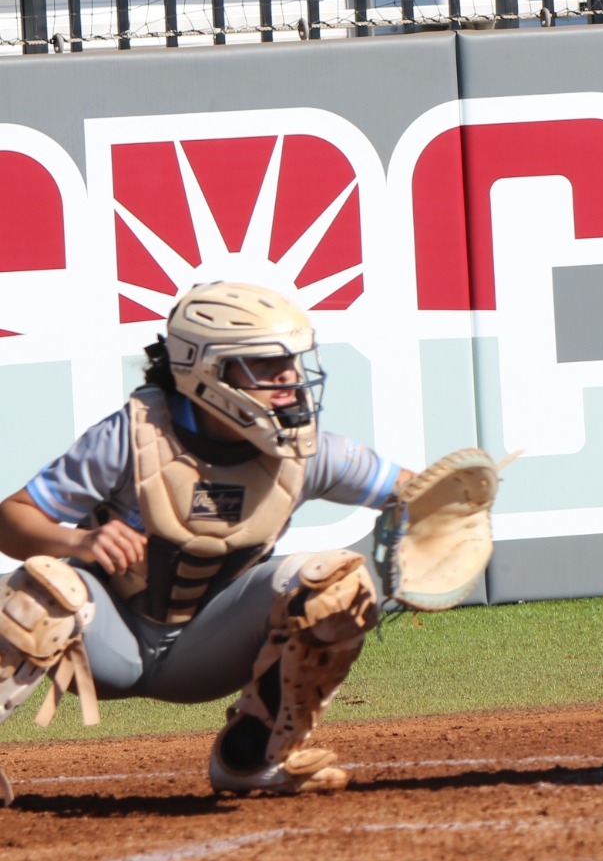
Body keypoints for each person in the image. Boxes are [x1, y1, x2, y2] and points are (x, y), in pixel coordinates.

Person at [0, 281, 409, 800]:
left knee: (336, 582)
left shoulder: (310, 451)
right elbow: (11, 519)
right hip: (107, 646)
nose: (287, 377)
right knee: (43, 587)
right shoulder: (129, 436)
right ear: (208, 369)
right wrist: (77, 543)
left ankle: (252, 757)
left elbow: (416, 493)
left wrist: (444, 515)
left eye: (290, 360)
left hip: (210, 650)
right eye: (264, 363)